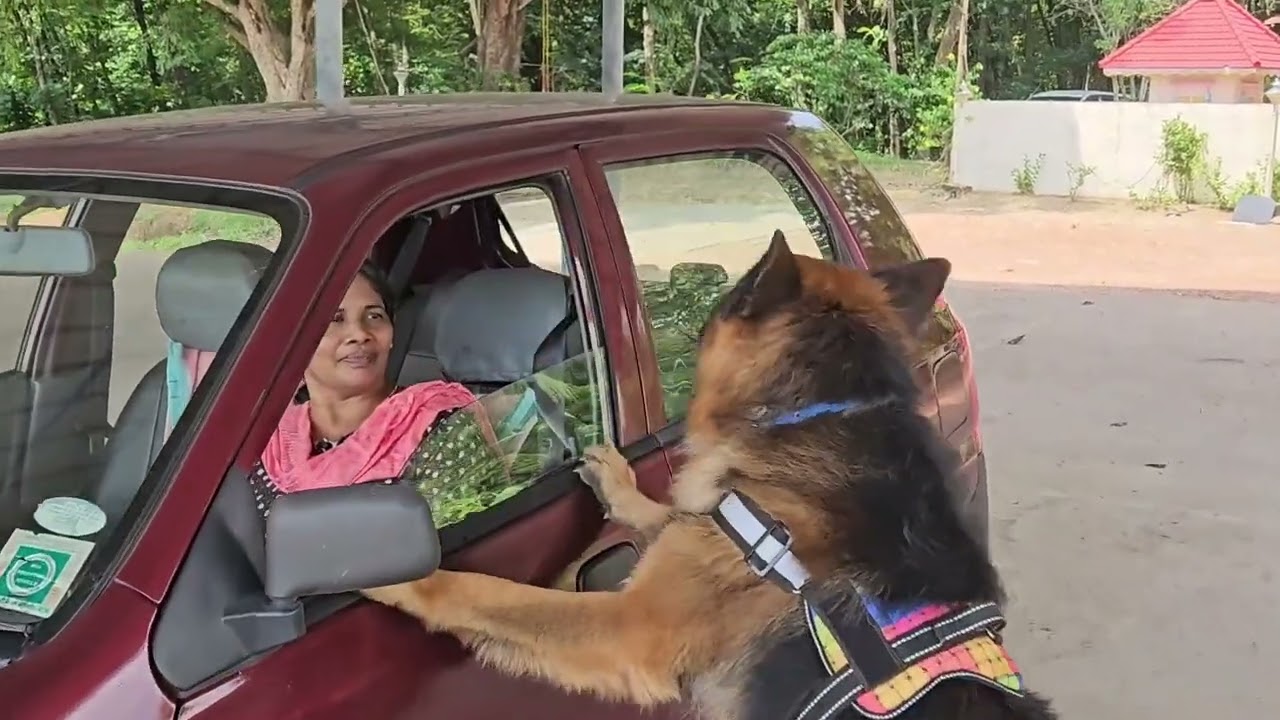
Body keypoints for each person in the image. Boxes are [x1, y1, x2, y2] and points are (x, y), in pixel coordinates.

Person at [247, 261, 506, 520]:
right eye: (334, 319)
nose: (359, 334)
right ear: (292, 338)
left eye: (374, 316)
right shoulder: (266, 437)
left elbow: (455, 548)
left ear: (392, 333)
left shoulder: (440, 426)